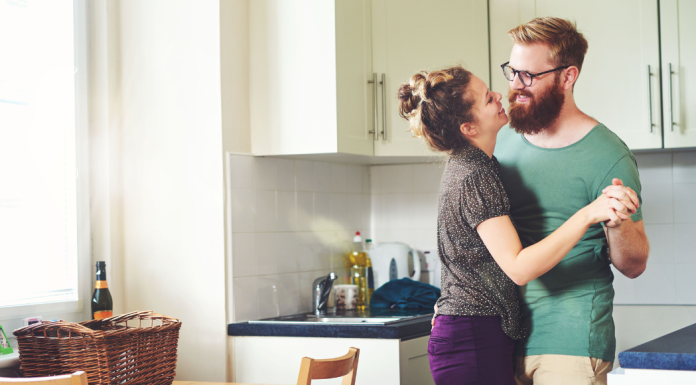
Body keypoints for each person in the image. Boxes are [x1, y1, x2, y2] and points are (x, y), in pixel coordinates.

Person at [398, 66, 637, 385]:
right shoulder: (475, 175)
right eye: (486, 98)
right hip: (471, 337)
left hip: (473, 333)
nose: (499, 95)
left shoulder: (474, 165)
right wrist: (588, 213)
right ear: (468, 126)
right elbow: (519, 268)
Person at [494, 17, 650, 385]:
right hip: (501, 336)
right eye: (512, 72)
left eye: (529, 76)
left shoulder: (608, 155)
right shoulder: (501, 142)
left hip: (573, 340)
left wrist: (618, 223)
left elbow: (635, 264)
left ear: (568, 76)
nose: (516, 86)